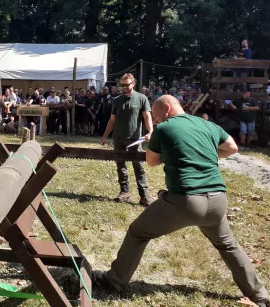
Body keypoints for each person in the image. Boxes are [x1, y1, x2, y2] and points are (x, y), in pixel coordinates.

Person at [93, 95, 269, 307]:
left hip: (185, 199)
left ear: (167, 108)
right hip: (218, 199)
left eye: (156, 117)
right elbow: (232, 148)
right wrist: (201, 153)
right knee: (229, 246)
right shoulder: (207, 124)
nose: (156, 121)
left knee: (138, 232)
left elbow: (151, 162)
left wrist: (158, 144)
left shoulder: (164, 129)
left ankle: (114, 282)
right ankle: (259, 295)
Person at [101, 73, 153, 206]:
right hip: (118, 138)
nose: (124, 87)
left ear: (133, 84)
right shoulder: (116, 100)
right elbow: (112, 120)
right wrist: (105, 136)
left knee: (138, 166)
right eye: (122, 85)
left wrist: (150, 131)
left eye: (126, 85)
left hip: (135, 139)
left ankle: (144, 195)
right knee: (120, 164)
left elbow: (147, 117)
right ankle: (124, 191)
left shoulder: (141, 98)